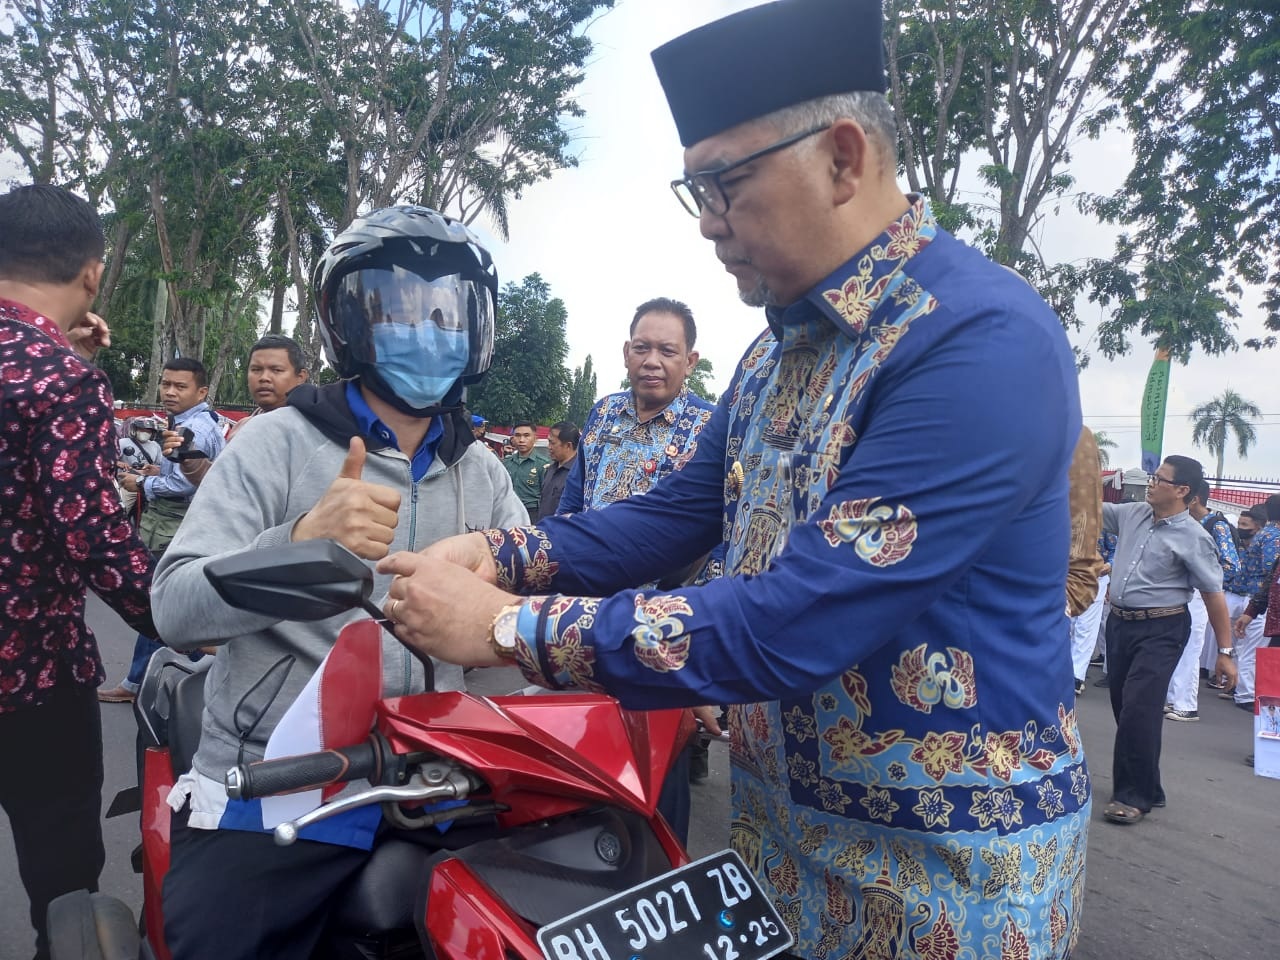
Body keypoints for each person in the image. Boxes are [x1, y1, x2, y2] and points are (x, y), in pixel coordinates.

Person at [377, 2, 1093, 955]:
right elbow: (672, 518)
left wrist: (507, 626)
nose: (710, 223)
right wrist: (502, 551)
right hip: (779, 843)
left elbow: (801, 617)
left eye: (725, 185)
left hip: (946, 878)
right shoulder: (773, 355)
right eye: (695, 192)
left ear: (843, 158)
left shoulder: (976, 341)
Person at [150, 205, 526, 960]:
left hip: (441, 780)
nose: (426, 330)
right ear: (350, 320)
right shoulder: (273, 443)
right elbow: (174, 607)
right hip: (279, 779)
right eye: (399, 307)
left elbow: (527, 606)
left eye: (447, 311)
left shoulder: (482, 471)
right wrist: (296, 543)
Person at [0, 183, 157, 960]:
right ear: (91, 276)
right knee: (66, 898)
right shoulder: (57, 378)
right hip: (29, 682)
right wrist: (182, 618)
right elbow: (93, 537)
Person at [1100, 456, 1236, 825]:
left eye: (1159, 480)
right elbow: (1090, 509)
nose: (1151, 484)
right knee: (1124, 707)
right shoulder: (1132, 515)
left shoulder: (1196, 538)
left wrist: (1225, 653)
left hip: (1162, 629)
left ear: (1182, 492)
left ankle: (1132, 797)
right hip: (1120, 625)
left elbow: (1213, 594)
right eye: (1152, 477)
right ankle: (1150, 784)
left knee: (1139, 711)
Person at [98, 357, 225, 703]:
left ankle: (208, 661)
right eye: (166, 384)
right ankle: (141, 679)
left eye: (179, 386)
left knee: (161, 602)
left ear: (201, 391)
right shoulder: (196, 422)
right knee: (163, 601)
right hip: (177, 522)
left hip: (175, 522)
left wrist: (141, 482)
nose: (169, 391)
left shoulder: (191, 429)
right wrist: (156, 473)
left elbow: (185, 483)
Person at [164, 334, 310, 485]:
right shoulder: (243, 426)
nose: (264, 377)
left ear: (300, 377)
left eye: (276, 370)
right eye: (256, 369)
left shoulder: (310, 430)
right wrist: (190, 458)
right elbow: (223, 483)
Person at [1163, 479, 1239, 721]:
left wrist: (1201, 576)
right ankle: (1174, 699)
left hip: (1199, 593)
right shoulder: (1187, 523)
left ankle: (1186, 703)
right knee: (1178, 644)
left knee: (1191, 648)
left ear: (1193, 498)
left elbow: (1232, 565)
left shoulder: (1215, 526)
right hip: (1182, 591)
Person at [1223, 494, 1280, 709]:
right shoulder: (1275, 537)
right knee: (1254, 651)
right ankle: (1246, 695)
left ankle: (1243, 691)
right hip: (1263, 602)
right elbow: (1271, 573)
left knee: (1250, 650)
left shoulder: (1267, 533)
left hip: (1255, 599)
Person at [1067, 428, 1107, 696]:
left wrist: (1112, 566)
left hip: (1094, 575)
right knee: (1072, 628)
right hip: (1070, 574)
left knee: (1085, 630)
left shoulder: (1074, 437)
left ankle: (1077, 676)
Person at [502, 420, 547, 518]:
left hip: (532, 514)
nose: (521, 440)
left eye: (526, 435)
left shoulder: (543, 464)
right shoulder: (506, 463)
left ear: (535, 438)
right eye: (518, 435)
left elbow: (547, 496)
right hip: (508, 512)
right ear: (513, 439)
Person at [535, 420, 579, 521]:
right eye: (548, 442)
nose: (549, 447)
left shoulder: (577, 474)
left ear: (568, 446)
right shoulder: (550, 469)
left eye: (552, 443)